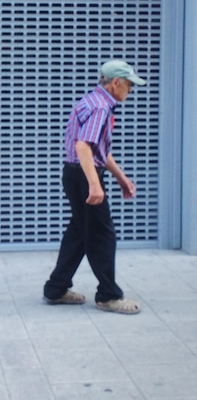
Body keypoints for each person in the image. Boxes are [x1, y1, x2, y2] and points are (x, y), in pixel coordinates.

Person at [43, 59, 146, 315]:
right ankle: (109, 296)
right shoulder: (101, 108)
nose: (130, 91)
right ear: (115, 83)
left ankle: (55, 289)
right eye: (129, 85)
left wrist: (121, 178)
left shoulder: (92, 101)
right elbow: (83, 147)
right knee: (102, 235)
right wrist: (94, 185)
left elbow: (98, 150)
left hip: (76, 173)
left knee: (79, 233)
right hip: (82, 175)